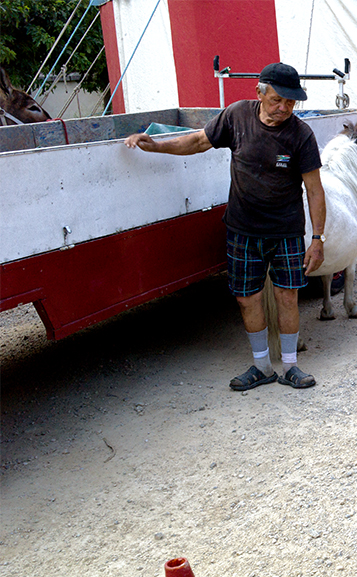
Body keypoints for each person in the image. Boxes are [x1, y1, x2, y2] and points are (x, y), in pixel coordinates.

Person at [125, 63, 326, 390]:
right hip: (242, 229)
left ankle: (290, 365)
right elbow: (199, 142)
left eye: (291, 103)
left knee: (287, 297)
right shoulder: (235, 117)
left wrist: (317, 239)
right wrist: (157, 145)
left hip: (286, 231)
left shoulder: (301, 135)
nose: (283, 108)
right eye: (277, 100)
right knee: (247, 298)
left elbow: (315, 190)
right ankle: (262, 367)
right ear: (258, 92)